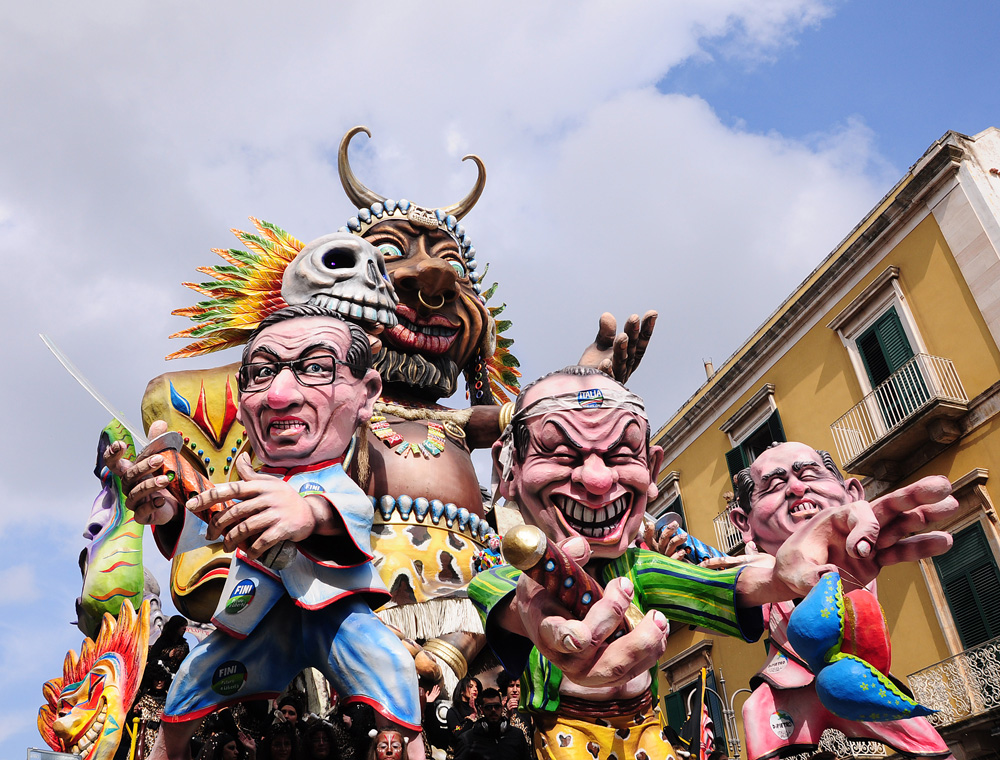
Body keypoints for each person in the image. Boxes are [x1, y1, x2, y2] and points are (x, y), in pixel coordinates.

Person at [469, 367, 958, 760]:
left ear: (652, 469)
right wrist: (538, 617)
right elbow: (516, 605)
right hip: (562, 735)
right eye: (558, 452)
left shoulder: (644, 569)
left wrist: (780, 573)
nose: (597, 480)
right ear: (506, 471)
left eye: (620, 452)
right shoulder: (501, 576)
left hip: (650, 734)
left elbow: (725, 583)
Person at [106, 305, 424, 760]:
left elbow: (345, 513)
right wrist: (161, 506)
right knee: (186, 690)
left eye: (315, 368)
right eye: (261, 373)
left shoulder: (337, 484)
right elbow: (202, 527)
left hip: (335, 619)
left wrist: (308, 514)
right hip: (251, 622)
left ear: (367, 392)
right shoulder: (240, 487)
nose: (279, 394)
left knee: (394, 678)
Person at [729, 441, 956, 760]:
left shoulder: (864, 553)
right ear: (745, 523)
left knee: (932, 749)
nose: (797, 488)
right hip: (787, 688)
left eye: (809, 474)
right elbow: (742, 592)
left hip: (855, 680)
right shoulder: (759, 569)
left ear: (852, 492)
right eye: (774, 484)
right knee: (756, 713)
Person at [452, 688, 530, 760]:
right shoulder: (467, 739)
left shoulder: (516, 735)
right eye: (488, 707)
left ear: (502, 708)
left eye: (497, 706)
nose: (493, 710)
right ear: (481, 710)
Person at [495, 670, 532, 745]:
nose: (515, 690)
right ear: (505, 688)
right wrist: (507, 714)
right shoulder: (498, 709)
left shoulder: (529, 708)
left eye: (518, 686)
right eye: (511, 686)